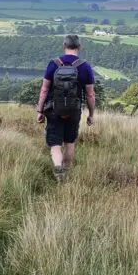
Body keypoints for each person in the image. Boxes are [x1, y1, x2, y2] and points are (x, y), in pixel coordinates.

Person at [35, 34, 96, 182]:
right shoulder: (85, 66)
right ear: (79, 47)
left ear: (64, 46)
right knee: (70, 142)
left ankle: (57, 168)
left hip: (53, 109)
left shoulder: (54, 63)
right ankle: (66, 173)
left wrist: (40, 110)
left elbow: (44, 89)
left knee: (55, 144)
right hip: (74, 110)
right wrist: (91, 114)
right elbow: (90, 95)